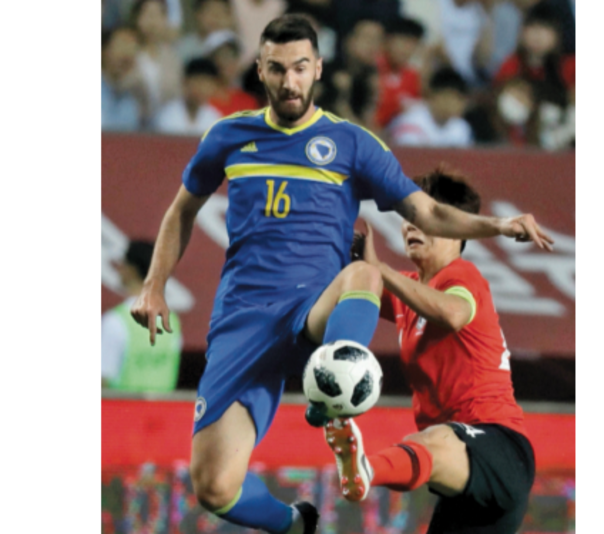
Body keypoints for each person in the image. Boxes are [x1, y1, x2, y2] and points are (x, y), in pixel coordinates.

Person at [131, 15, 553, 534]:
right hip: (242, 320)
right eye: (278, 68)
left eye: (301, 68)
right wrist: (154, 284)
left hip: (316, 307)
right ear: (260, 70)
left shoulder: (351, 143)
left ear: (318, 69)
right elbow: (181, 210)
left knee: (363, 275)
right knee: (214, 487)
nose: (290, 81)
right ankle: (295, 525)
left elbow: (428, 212)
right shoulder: (227, 137)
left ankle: (334, 389)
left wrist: (497, 225)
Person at [324, 169, 544, 533]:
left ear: (457, 233)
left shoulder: (462, 276)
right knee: (436, 441)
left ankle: (365, 469)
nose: (412, 227)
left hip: (499, 450)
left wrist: (377, 267)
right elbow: (353, 285)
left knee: (432, 439)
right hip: (459, 484)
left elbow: (452, 313)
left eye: (424, 219)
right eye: (408, 219)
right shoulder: (408, 291)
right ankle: (364, 469)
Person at [100, 241, 182, 392]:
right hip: (161, 413)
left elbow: (102, 380)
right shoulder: (172, 321)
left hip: (122, 412)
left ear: (131, 269)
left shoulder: (115, 322)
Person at [390, 67, 475, 148]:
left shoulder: (461, 128)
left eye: (457, 99)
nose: (452, 104)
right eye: (447, 97)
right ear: (432, 95)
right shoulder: (411, 121)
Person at [152, 59, 224, 136]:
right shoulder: (168, 116)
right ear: (185, 82)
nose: (203, 90)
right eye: (199, 83)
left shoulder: (214, 118)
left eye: (207, 85)